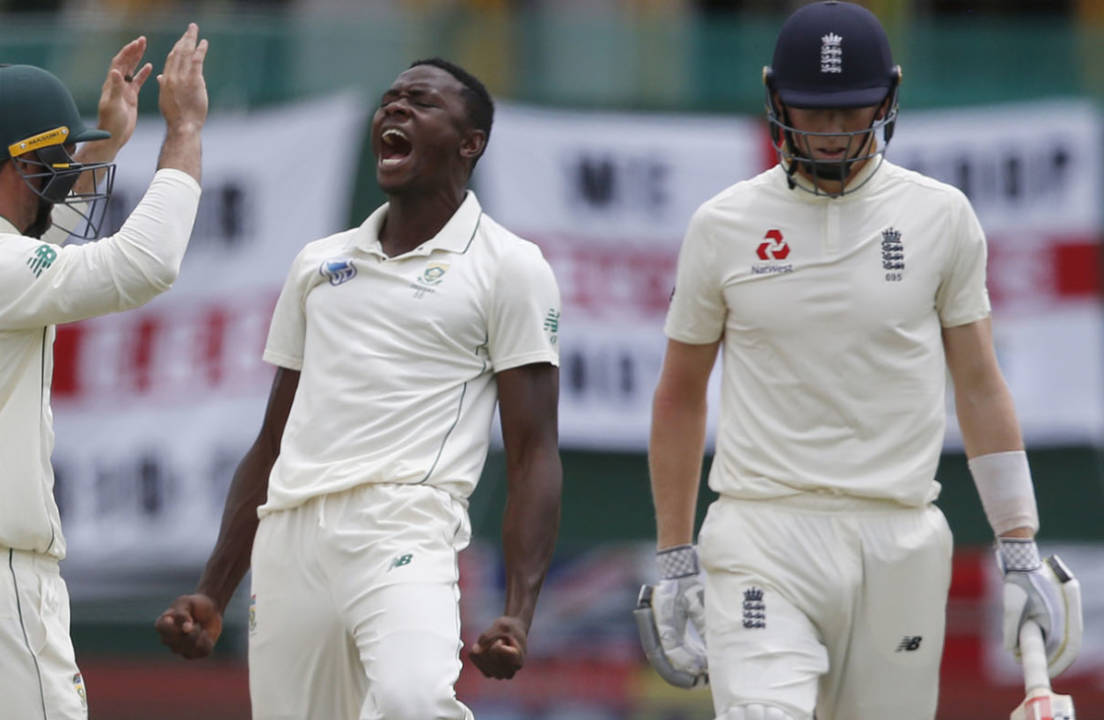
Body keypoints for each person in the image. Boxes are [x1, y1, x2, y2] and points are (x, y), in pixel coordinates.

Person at [635, 3, 1083, 719]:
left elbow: (978, 383)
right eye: (814, 112)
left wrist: (1019, 544)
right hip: (762, 531)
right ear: (775, 97)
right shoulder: (722, 225)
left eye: (853, 112)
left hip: (899, 534)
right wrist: (675, 556)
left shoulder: (942, 216)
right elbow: (680, 394)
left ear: (891, 96)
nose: (835, 133)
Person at [155, 58, 563, 720]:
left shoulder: (511, 267)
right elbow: (272, 441)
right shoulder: (319, 262)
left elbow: (534, 452)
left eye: (421, 103)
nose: (395, 110)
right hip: (290, 543)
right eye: (389, 100)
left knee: (412, 703)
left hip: (403, 524)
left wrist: (517, 611)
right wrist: (213, 589)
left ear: (470, 143)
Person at [0, 24, 209, 719]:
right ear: (23, 165)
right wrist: (184, 131)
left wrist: (106, 141)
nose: (61, 172)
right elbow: (145, 264)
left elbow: (38, 249)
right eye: (53, 159)